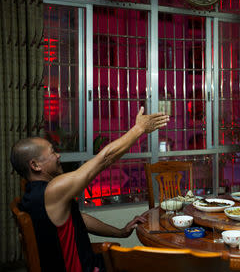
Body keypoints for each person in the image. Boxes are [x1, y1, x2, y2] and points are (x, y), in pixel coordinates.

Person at [10, 107, 169, 272]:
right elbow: (104, 159)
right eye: (52, 152)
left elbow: (79, 219)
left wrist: (121, 232)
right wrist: (139, 128)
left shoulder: (32, 193)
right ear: (35, 165)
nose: (58, 155)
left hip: (88, 260)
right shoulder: (51, 192)